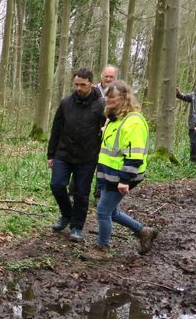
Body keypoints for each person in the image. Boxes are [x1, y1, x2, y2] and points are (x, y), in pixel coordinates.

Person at [95, 80, 157, 254]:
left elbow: (135, 156)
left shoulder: (134, 122)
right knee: (111, 211)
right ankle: (143, 231)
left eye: (112, 98)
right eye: (106, 97)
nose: (107, 101)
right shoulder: (115, 119)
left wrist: (124, 180)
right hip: (111, 174)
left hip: (122, 175)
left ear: (124, 98)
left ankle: (102, 248)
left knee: (102, 212)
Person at [47, 68, 105, 242]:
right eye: (76, 84)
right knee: (57, 185)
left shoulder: (101, 104)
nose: (79, 88)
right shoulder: (66, 103)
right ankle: (66, 215)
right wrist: (51, 154)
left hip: (87, 157)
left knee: (81, 194)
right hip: (63, 154)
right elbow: (56, 128)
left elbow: (108, 129)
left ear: (91, 84)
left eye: (83, 85)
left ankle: (77, 227)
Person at [176, 80, 196, 164]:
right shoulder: (193, 96)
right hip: (194, 124)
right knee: (194, 144)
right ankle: (194, 162)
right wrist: (177, 93)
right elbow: (183, 97)